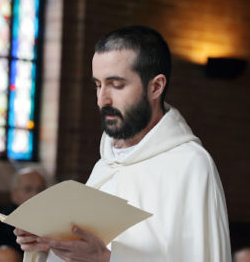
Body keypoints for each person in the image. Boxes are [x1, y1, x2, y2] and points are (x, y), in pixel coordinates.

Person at [14, 25, 231, 262]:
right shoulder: (106, 165)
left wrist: (105, 258)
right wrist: (46, 246)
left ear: (155, 87)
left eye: (116, 85)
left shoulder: (190, 165)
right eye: (98, 85)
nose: (102, 100)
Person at [0, 167, 47, 262]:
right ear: (14, 194)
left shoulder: (56, 219)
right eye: (28, 189)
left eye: (40, 190)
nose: (35, 195)